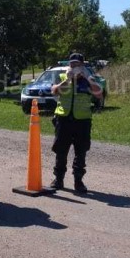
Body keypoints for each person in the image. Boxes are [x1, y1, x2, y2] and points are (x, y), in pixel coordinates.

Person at [50, 53, 103, 193]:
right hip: (63, 119)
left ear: (82, 65)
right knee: (61, 151)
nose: (74, 67)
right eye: (72, 64)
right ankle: (58, 179)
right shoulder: (62, 77)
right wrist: (67, 80)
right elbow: (54, 91)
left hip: (82, 120)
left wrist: (87, 78)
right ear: (69, 65)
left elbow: (99, 94)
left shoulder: (89, 79)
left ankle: (78, 181)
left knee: (81, 152)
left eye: (77, 64)